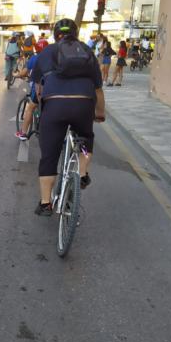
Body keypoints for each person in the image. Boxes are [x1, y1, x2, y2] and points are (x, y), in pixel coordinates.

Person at [31, 18, 105, 216]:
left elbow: (38, 87)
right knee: (85, 140)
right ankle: (82, 172)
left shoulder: (47, 52)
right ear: (76, 33)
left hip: (54, 105)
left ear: (56, 34)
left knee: (49, 155)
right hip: (83, 103)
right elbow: (98, 88)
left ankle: (46, 203)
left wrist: (43, 106)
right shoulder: (87, 51)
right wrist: (100, 113)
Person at [15, 41, 46, 140]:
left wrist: (16, 75)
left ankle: (23, 133)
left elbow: (24, 73)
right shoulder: (53, 57)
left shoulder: (34, 58)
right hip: (53, 87)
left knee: (30, 108)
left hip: (39, 87)